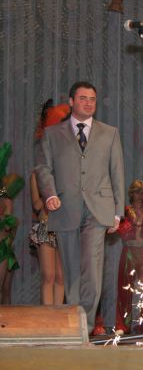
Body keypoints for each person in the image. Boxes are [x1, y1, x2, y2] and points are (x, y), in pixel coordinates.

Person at [35, 81, 125, 333]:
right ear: (71, 101)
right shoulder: (53, 134)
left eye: (92, 99)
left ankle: (85, 324)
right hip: (65, 208)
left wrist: (118, 212)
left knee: (93, 271)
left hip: (99, 209)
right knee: (72, 270)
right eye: (83, 98)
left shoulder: (110, 133)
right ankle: (75, 324)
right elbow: (43, 168)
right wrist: (50, 195)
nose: (88, 103)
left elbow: (117, 173)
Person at [29, 100, 70, 305]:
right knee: (49, 276)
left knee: (61, 278)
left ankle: (59, 318)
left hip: (63, 226)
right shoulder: (37, 174)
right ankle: (47, 318)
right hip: (45, 227)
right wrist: (49, 197)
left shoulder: (66, 172)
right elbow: (36, 205)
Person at [115, 180, 143, 334]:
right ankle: (123, 325)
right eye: (136, 192)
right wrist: (134, 223)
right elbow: (122, 231)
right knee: (125, 289)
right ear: (131, 193)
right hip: (129, 250)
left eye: (142, 192)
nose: (139, 195)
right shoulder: (125, 211)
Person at [0, 143, 25, 304]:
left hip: (3, 247)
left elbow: (10, 223)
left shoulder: (4, 192)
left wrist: (7, 223)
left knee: (5, 291)